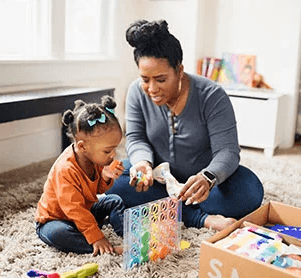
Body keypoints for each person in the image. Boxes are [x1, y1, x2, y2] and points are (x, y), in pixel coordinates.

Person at [107, 19, 264, 231]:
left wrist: (208, 178)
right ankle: (202, 219)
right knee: (111, 181)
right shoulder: (136, 91)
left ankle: (169, 208)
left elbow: (227, 151)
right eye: (145, 79)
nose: (151, 88)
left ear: (179, 71)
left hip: (202, 184)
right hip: (158, 178)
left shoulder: (212, 95)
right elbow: (136, 137)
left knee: (250, 190)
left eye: (161, 79)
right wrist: (142, 162)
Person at [35, 96, 125, 255]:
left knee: (114, 200)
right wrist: (96, 236)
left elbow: (96, 190)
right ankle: (102, 249)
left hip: (86, 210)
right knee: (58, 234)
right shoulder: (65, 169)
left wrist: (105, 176)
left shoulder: (95, 157)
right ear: (83, 147)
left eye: (114, 149)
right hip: (56, 219)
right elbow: (74, 209)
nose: (113, 154)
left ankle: (128, 233)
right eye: (107, 151)